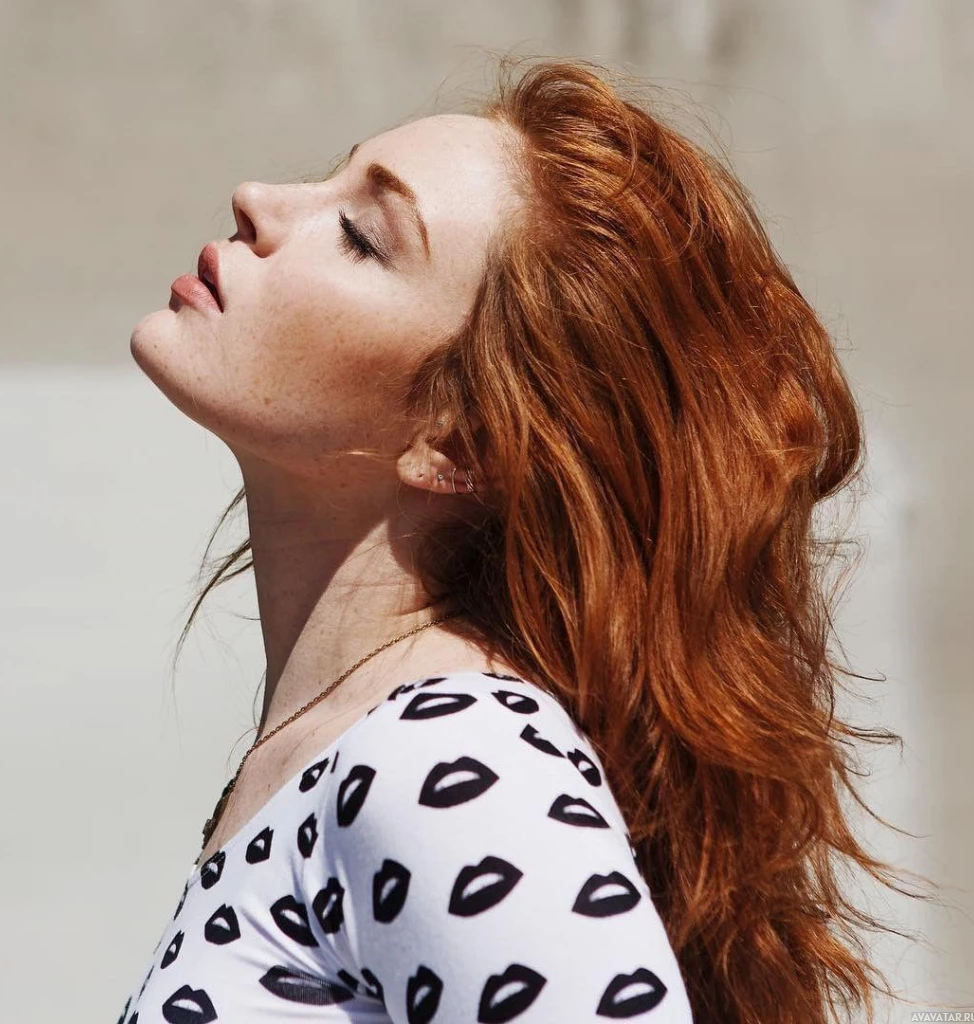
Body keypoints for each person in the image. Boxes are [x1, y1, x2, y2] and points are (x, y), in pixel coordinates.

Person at [120, 55, 913, 1024]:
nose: (258, 200)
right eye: (331, 179)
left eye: (363, 236)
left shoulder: (447, 763)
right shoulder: (357, 749)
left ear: (460, 441)